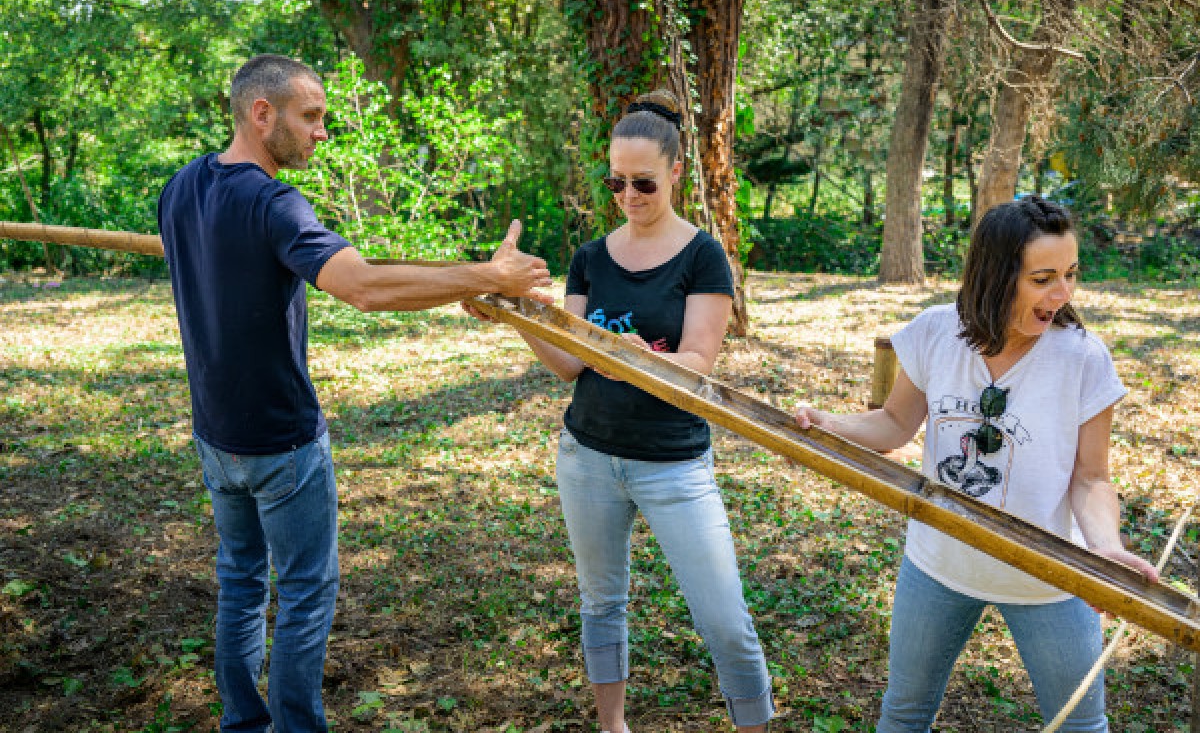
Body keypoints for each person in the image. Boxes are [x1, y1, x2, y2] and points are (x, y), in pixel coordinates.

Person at [157, 54, 551, 733]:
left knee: (243, 583)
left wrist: (466, 278)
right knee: (305, 594)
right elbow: (363, 286)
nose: (321, 132)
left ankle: (242, 725)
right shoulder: (276, 202)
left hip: (216, 437)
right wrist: (491, 274)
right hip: (280, 441)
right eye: (310, 116)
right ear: (262, 113)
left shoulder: (182, 187)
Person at [793, 197, 1159, 732]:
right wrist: (828, 423)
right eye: (1043, 278)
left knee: (1081, 725)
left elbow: (1091, 478)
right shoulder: (936, 332)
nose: (1063, 295)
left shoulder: (1084, 358)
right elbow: (895, 424)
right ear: (998, 273)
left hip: (1050, 579)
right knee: (904, 713)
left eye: (1070, 275)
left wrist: (1106, 550)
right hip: (939, 563)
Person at [501, 90, 774, 732]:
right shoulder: (590, 257)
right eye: (615, 182)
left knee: (725, 620)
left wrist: (635, 358)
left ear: (676, 172)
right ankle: (612, 726)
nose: (627, 196)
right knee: (601, 602)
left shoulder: (703, 256)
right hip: (587, 457)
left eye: (643, 183)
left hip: (672, 464)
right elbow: (569, 363)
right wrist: (513, 309)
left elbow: (700, 360)